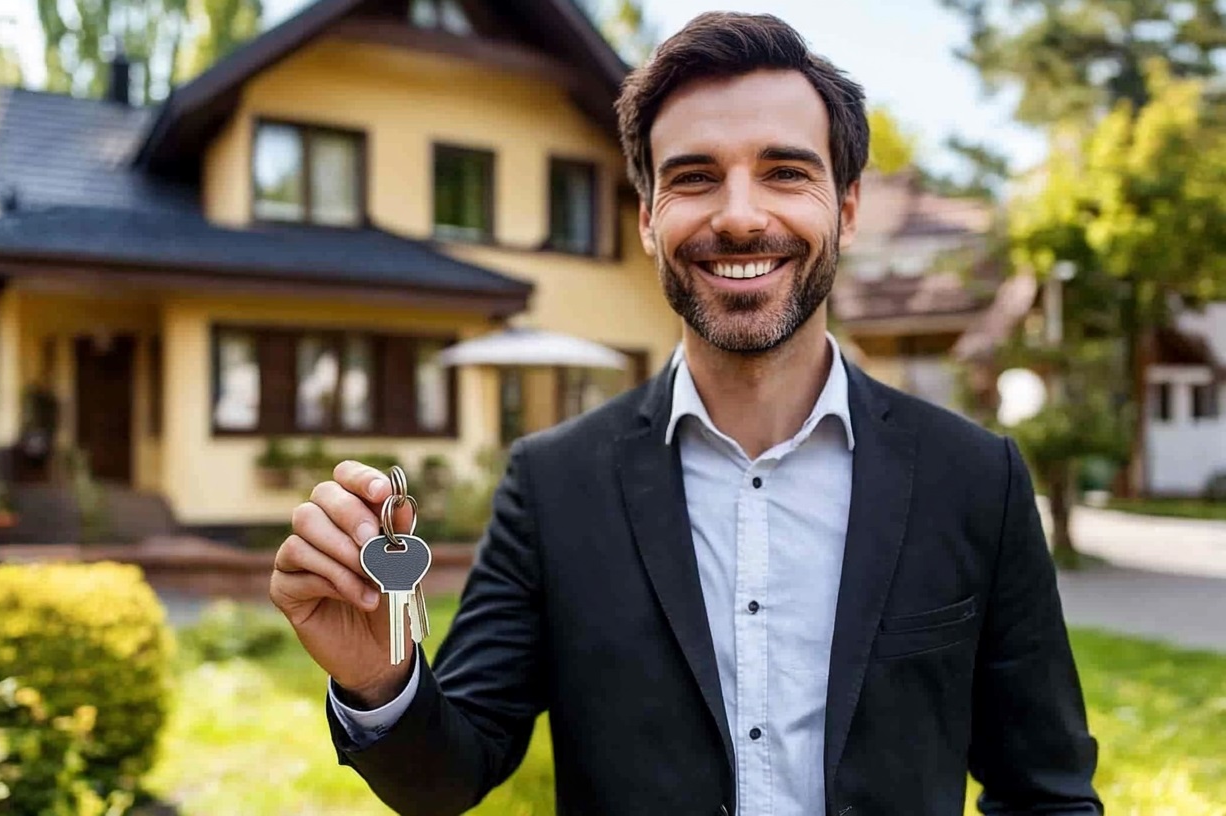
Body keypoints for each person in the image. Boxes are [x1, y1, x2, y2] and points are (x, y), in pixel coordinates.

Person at [269, 11, 1102, 816]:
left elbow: (1047, 792)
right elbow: (448, 777)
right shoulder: (554, 485)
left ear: (847, 208)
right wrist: (378, 678)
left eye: (785, 171)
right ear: (647, 218)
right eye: (695, 177)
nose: (740, 215)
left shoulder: (973, 478)